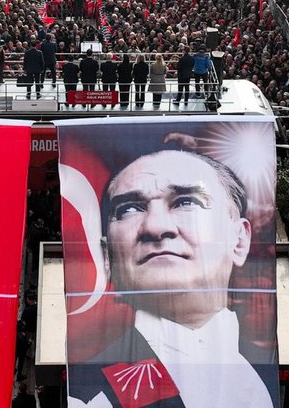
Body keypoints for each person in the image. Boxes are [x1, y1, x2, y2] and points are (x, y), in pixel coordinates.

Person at [67, 147, 274, 408]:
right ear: (107, 254)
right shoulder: (87, 395)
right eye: (129, 208)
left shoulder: (266, 373)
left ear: (239, 240)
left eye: (187, 202)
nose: (156, 226)